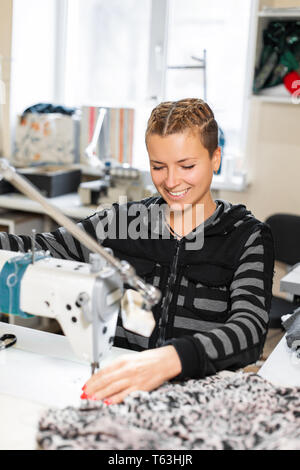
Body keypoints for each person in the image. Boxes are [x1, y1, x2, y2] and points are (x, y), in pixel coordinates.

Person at [0, 98, 274, 404]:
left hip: (203, 397)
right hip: (120, 386)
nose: (171, 181)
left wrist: (170, 360)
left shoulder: (248, 237)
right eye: (158, 167)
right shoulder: (120, 221)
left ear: (215, 158)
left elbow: (248, 331)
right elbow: (40, 249)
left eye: (187, 166)